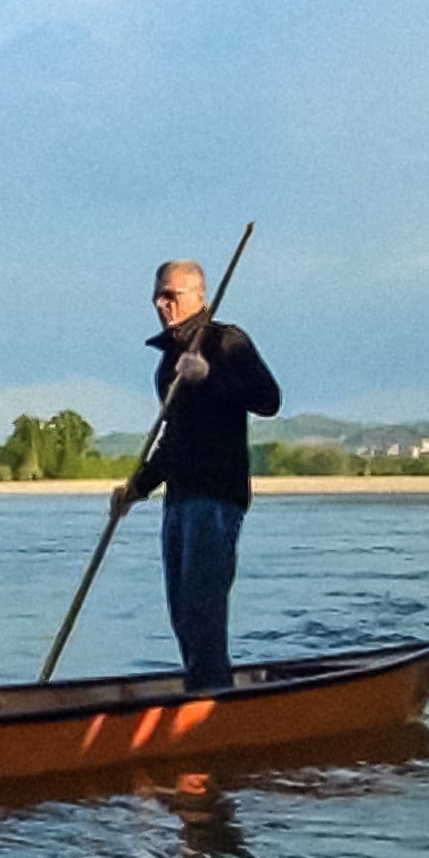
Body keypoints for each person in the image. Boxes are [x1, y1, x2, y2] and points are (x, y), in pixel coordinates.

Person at [111, 259, 280, 692]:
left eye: (173, 295)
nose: (163, 304)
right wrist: (138, 486)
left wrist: (209, 377)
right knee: (183, 613)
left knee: (204, 611)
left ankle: (212, 701)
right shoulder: (168, 365)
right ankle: (201, 690)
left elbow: (268, 399)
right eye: (158, 295)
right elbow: (173, 440)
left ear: (199, 297)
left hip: (216, 495)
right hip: (179, 497)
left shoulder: (227, 341)